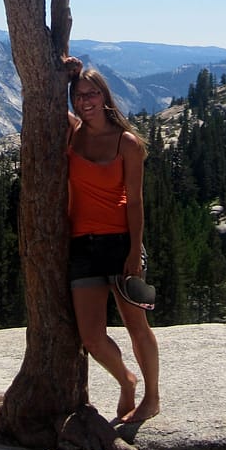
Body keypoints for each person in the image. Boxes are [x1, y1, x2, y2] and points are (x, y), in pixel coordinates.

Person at [63, 59, 160, 423]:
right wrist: (63, 68)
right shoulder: (72, 132)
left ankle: (152, 398)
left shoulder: (126, 142)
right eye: (78, 95)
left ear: (104, 96)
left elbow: (135, 201)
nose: (84, 101)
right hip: (82, 246)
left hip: (120, 244)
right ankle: (126, 380)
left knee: (137, 326)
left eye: (92, 93)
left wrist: (135, 251)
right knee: (91, 337)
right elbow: (41, 94)